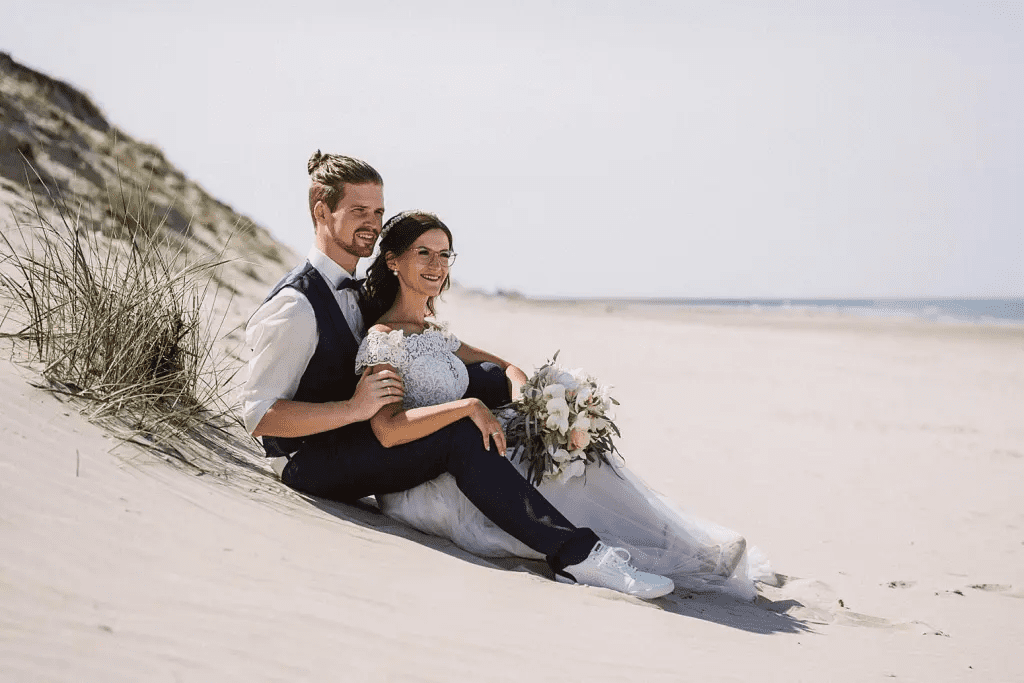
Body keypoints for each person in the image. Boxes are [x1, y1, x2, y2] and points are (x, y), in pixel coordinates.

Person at [241, 151, 675, 600]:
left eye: (377, 212)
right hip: (308, 461)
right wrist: (354, 408)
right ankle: (575, 556)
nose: (371, 222)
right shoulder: (295, 305)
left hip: (357, 435)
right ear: (321, 212)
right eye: (357, 211)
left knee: (486, 379)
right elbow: (260, 418)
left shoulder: (361, 296)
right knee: (460, 433)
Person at [355, 210, 774, 600]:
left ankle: (684, 548)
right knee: (555, 476)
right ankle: (591, 560)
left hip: (474, 455)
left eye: (444, 254)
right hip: (432, 481)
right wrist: (467, 407)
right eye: (423, 253)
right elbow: (387, 429)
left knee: (580, 457)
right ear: (393, 261)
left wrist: (529, 406)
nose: (437, 264)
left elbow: (509, 368)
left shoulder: (435, 333)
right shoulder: (384, 339)